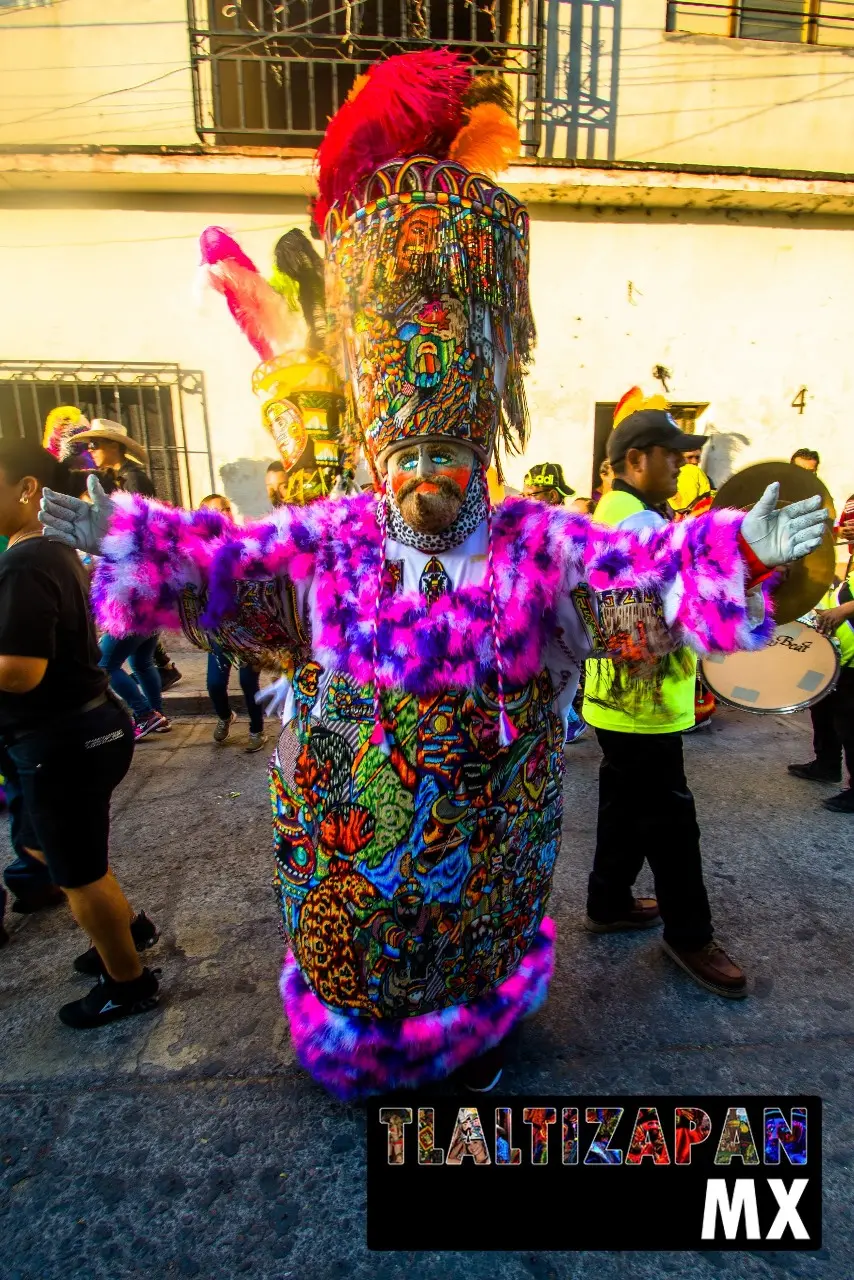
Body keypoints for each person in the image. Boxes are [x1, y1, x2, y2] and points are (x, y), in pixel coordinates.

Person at [40, 51, 826, 1096]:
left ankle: (474, 1039)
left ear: (478, 449)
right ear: (380, 453)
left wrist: (745, 549)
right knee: (360, 969)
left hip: (487, 855)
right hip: (346, 864)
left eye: (447, 452)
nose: (425, 476)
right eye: (406, 454)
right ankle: (362, 1034)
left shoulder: (535, 542)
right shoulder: (330, 538)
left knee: (474, 984)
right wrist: (128, 538)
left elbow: (639, 587)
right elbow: (225, 575)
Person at [581, 409, 807, 1000]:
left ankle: (608, 901)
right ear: (636, 459)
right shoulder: (635, 521)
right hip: (643, 704)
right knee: (672, 824)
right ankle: (690, 936)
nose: (684, 467)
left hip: (619, 701)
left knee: (624, 802)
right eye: (673, 456)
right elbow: (681, 601)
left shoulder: (619, 511)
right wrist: (749, 566)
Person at [0, 441, 159, 1025]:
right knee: (50, 848)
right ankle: (127, 928)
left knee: (77, 871)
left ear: (27, 489)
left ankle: (128, 983)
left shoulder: (26, 561)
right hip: (80, 730)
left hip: (63, 740)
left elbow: (20, 672)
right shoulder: (46, 550)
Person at [198, 495, 267, 754]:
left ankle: (257, 729)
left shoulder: (246, 541)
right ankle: (225, 716)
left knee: (248, 682)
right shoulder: (198, 549)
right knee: (215, 684)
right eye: (212, 512)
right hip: (219, 629)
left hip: (249, 627)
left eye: (224, 509)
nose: (221, 515)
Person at [787, 566, 854, 813]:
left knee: (850, 725)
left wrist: (845, 609)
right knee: (823, 711)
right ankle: (826, 765)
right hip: (833, 656)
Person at [669, 446, 712, 517]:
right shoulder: (667, 481)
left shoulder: (706, 479)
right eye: (689, 457)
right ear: (679, 458)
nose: (694, 461)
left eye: (697, 457)